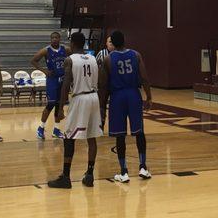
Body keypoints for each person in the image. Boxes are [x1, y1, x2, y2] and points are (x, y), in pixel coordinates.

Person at [48, 32, 103, 189]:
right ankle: (90, 174)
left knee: (69, 137)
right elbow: (99, 80)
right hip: (94, 96)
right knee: (91, 137)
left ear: (72, 44)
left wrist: (60, 108)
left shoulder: (69, 60)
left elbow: (66, 84)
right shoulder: (93, 58)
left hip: (79, 98)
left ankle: (66, 177)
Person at [99, 30, 153, 183]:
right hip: (133, 94)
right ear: (124, 41)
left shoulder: (108, 59)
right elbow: (144, 77)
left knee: (120, 135)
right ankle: (143, 167)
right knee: (139, 131)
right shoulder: (136, 55)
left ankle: (124, 172)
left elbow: (103, 86)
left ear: (113, 43)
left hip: (117, 97)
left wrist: (102, 106)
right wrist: (148, 96)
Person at [31, 32, 71, 139]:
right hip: (52, 80)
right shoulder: (46, 50)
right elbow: (33, 61)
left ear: (59, 39)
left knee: (59, 105)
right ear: (50, 39)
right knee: (50, 104)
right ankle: (41, 128)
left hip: (62, 80)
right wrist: (44, 71)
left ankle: (56, 130)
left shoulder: (66, 49)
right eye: (52, 38)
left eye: (56, 37)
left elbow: (73, 59)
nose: (54, 39)